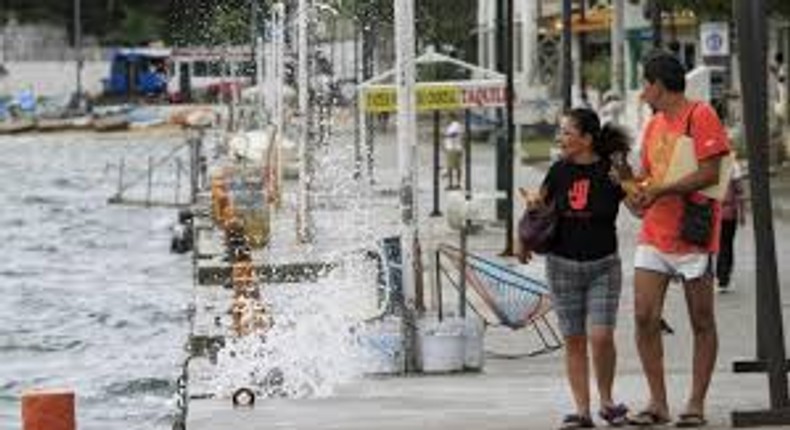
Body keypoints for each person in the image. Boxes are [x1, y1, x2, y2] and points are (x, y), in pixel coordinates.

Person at [628, 50, 730, 427]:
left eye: (644, 83)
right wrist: (634, 189)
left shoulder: (700, 114)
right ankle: (657, 401)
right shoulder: (654, 125)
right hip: (655, 231)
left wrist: (662, 190)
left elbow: (710, 172)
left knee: (701, 319)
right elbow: (647, 177)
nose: (642, 92)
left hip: (693, 234)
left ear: (658, 84)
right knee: (643, 315)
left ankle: (696, 402)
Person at [520, 107, 631, 429]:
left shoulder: (613, 169)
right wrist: (525, 236)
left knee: (600, 336)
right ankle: (582, 411)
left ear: (586, 138)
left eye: (567, 132)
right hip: (561, 265)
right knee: (574, 339)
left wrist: (625, 178)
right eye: (561, 132)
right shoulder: (557, 171)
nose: (560, 138)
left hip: (604, 267)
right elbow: (537, 209)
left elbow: (640, 207)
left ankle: (607, 401)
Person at [715, 157, 746, 293]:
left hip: (713, 214)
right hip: (728, 214)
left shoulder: (709, 162)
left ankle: (721, 276)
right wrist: (742, 213)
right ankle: (724, 277)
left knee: (720, 245)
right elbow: (740, 191)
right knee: (726, 244)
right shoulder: (733, 165)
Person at [443, 116, 463, 190]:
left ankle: (451, 184)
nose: (446, 119)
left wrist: (446, 136)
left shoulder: (455, 125)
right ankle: (457, 184)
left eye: (447, 118)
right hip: (454, 148)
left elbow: (454, 134)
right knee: (456, 167)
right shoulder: (452, 125)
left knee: (450, 167)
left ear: (451, 117)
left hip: (453, 149)